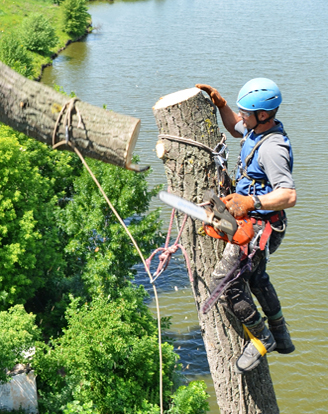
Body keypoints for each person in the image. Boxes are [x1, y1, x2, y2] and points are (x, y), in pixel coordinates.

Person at [196, 78, 297, 374]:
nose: (241, 117)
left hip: (261, 227)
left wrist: (251, 203)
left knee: (223, 286)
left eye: (245, 113)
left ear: (263, 115)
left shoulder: (272, 148)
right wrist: (223, 106)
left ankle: (262, 337)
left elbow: (288, 195)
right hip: (256, 222)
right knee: (257, 278)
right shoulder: (255, 130)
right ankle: (281, 334)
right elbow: (234, 127)